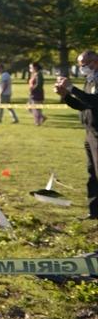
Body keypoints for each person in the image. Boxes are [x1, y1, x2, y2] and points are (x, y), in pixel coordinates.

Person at [55, 50, 98, 220]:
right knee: (92, 174)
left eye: (84, 64)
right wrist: (66, 96)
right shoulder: (90, 79)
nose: (82, 68)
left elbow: (95, 101)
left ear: (94, 62)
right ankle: (94, 212)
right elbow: (84, 106)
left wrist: (72, 88)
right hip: (90, 133)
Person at [28, 61, 45, 126]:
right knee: (29, 107)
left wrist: (33, 89)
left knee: (36, 108)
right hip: (32, 93)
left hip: (37, 94)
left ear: (35, 67)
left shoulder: (39, 74)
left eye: (31, 67)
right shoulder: (34, 74)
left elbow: (39, 84)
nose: (30, 68)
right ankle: (42, 117)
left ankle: (37, 122)